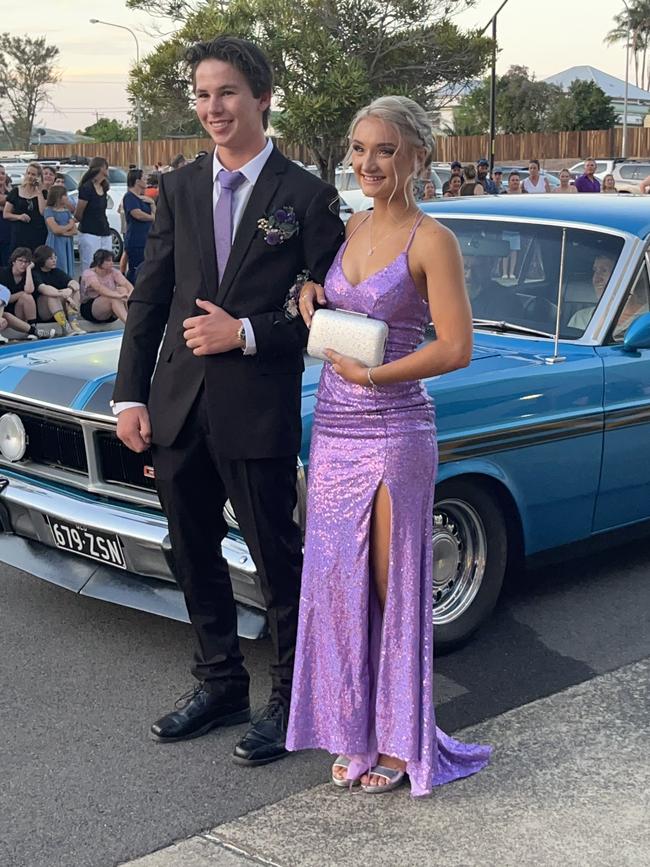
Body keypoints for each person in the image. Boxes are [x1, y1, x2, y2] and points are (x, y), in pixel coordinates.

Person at [112, 35, 344, 765]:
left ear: (263, 97)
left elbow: (330, 312)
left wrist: (244, 331)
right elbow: (150, 299)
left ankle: (291, 696)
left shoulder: (306, 196)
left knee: (278, 558)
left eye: (228, 94)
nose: (213, 108)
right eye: (203, 95)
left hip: (257, 406)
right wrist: (129, 396)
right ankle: (219, 684)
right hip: (177, 406)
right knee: (191, 551)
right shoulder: (177, 187)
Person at [289, 95, 491, 796]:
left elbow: (457, 346)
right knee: (338, 582)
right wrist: (313, 291)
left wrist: (374, 372)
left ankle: (403, 739)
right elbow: (339, 300)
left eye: (384, 150)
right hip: (334, 424)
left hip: (394, 427)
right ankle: (354, 731)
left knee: (388, 585)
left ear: (417, 157)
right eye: (357, 148)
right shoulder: (350, 226)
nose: (367, 163)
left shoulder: (433, 240)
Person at [32, 244, 84, 335]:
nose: (54, 260)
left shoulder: (56, 271)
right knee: (52, 296)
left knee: (75, 291)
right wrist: (66, 296)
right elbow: (44, 289)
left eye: (55, 257)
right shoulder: (35, 273)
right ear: (42, 259)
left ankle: (74, 323)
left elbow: (75, 284)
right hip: (44, 311)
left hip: (61, 308)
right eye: (50, 258)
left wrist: (70, 289)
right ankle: (66, 328)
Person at [75, 156, 112, 271]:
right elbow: (79, 213)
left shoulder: (103, 187)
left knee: (105, 266)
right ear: (101, 169)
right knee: (90, 266)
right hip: (89, 232)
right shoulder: (87, 188)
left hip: (104, 231)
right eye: (107, 167)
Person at [3, 162, 47, 252]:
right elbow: (6, 214)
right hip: (19, 234)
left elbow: (43, 211)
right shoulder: (15, 192)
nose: (30, 176)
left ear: (39, 177)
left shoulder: (43, 193)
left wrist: (39, 191)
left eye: (33, 174)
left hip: (37, 233)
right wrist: (19, 216)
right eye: (28, 173)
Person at [80, 248, 132, 324]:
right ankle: (129, 324)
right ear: (99, 262)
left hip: (111, 310)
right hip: (91, 308)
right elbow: (99, 288)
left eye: (112, 260)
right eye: (108, 261)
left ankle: (132, 319)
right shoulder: (89, 273)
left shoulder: (113, 271)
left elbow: (127, 284)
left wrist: (129, 293)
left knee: (123, 290)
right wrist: (118, 296)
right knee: (113, 298)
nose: (112, 263)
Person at [123, 169, 155, 284]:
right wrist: (152, 218)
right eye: (144, 178)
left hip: (147, 239)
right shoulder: (129, 197)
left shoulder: (144, 198)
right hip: (136, 240)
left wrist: (152, 203)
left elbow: (156, 215)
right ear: (137, 181)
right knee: (136, 270)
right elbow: (137, 214)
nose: (146, 181)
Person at [0, 247, 41, 339]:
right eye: (20, 261)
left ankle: (33, 326)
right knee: (23, 296)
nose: (23, 264)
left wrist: (29, 270)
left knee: (27, 296)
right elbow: (4, 298)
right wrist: (20, 294)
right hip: (4, 310)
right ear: (14, 261)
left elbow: (29, 290)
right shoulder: (3, 273)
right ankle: (33, 331)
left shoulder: (29, 274)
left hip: (19, 310)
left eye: (26, 262)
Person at [568, 253, 615, 330]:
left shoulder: (640, 321)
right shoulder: (580, 318)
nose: (596, 279)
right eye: (595, 271)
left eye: (604, 271)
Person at [44, 185, 76, 275]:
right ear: (58, 197)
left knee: (67, 264)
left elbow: (75, 231)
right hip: (55, 242)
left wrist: (63, 232)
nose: (67, 197)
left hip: (67, 242)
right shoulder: (49, 211)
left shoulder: (66, 211)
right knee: (58, 262)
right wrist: (69, 225)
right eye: (65, 195)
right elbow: (55, 229)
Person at [0, 165, 11, 266]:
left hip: (8, 234)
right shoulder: (11, 193)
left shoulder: (9, 191)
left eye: (3, 173)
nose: (1, 176)